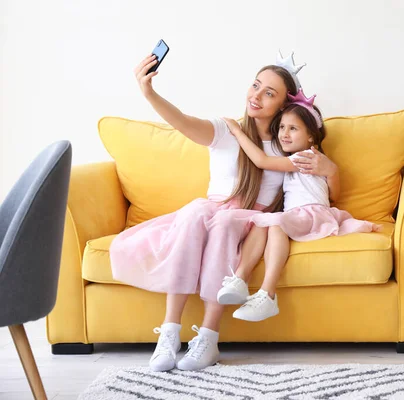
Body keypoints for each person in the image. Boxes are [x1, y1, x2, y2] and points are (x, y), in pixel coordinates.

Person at [109, 52, 324, 372]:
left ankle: (209, 338)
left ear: (283, 105)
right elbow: (182, 122)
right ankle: (169, 332)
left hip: (249, 217)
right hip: (214, 207)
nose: (257, 95)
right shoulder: (226, 130)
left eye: (269, 93)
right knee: (195, 213)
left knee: (224, 223)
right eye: (255, 85)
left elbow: (314, 170)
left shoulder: (286, 142)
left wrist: (326, 166)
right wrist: (149, 93)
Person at [217, 89, 381, 322]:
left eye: (293, 129)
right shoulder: (308, 157)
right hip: (301, 215)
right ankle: (241, 280)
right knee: (261, 222)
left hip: (313, 214)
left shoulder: (303, 157)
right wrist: (331, 171)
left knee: (272, 221)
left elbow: (262, 160)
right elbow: (333, 194)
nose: (284, 134)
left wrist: (237, 130)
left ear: (312, 136)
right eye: (282, 127)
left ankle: (266, 293)